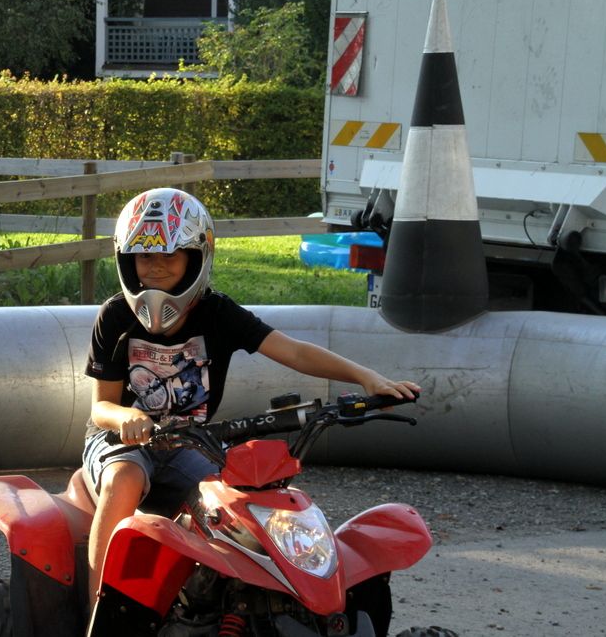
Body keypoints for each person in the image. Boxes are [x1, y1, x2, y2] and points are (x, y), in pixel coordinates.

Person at [82, 187, 420, 609]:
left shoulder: (218, 313)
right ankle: (98, 609)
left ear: (196, 257)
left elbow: (294, 352)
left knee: (238, 503)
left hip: (190, 443)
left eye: (170, 254)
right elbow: (101, 408)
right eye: (144, 256)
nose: (156, 266)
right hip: (120, 441)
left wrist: (366, 377)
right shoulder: (115, 316)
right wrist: (127, 420)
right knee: (124, 480)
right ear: (127, 260)